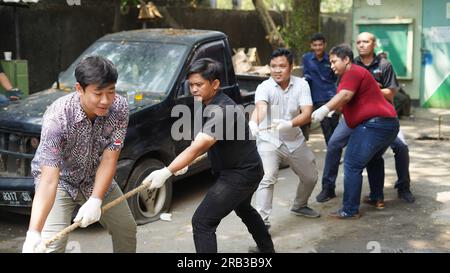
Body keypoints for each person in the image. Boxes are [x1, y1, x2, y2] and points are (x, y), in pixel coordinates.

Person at [143, 58, 274, 253]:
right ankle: (267, 251)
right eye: (191, 85)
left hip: (241, 173)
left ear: (215, 84)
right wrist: (183, 163)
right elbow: (200, 141)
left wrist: (167, 171)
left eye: (199, 85)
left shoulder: (222, 110)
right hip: (246, 169)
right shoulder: (206, 103)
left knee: (202, 222)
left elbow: (200, 146)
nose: (194, 89)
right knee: (245, 209)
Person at [22, 56, 137, 253]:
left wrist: (96, 199)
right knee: (51, 245)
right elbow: (49, 179)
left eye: (111, 92)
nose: (105, 100)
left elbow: (110, 158)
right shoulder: (58, 117)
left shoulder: (119, 108)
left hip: (95, 176)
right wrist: (34, 232)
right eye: (98, 93)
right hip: (61, 182)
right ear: (79, 89)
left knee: (126, 228)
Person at [315, 32, 415, 204]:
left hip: (380, 116)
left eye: (366, 41)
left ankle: (403, 187)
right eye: (359, 42)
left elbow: (390, 93)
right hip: (353, 114)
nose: (361, 45)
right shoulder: (349, 65)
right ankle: (328, 187)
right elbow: (343, 95)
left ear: (374, 44)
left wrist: (367, 87)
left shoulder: (384, 65)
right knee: (334, 143)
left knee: (401, 147)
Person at [249, 48, 320, 230]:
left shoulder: (302, 85)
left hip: (294, 139)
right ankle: (261, 224)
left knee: (310, 177)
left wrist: (289, 124)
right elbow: (261, 108)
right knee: (268, 177)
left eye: (282, 66)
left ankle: (300, 205)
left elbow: (307, 114)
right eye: (273, 66)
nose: (277, 70)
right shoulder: (264, 87)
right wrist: (253, 123)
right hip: (268, 141)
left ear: (291, 67)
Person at [302, 33, 339, 145]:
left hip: (333, 96)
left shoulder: (331, 58)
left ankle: (336, 150)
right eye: (315, 45)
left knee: (335, 126)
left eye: (320, 45)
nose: (318, 47)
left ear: (324, 45)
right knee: (326, 127)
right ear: (311, 46)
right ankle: (332, 152)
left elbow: (336, 76)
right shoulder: (307, 58)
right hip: (318, 98)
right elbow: (306, 74)